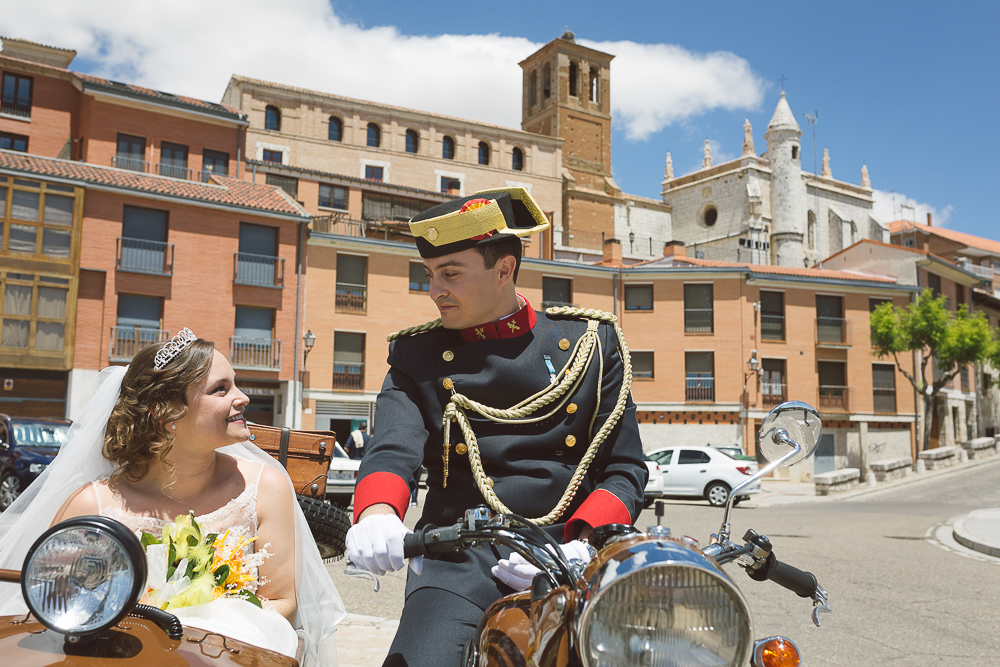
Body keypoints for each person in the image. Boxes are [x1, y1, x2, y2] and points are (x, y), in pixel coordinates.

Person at [345, 188, 648, 666]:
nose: (435, 290)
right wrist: (377, 512)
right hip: (457, 560)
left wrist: (582, 545)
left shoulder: (591, 343)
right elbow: (392, 448)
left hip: (570, 554)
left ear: (504, 269)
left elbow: (625, 468)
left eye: (450, 274)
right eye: (430, 275)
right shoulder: (417, 356)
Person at [0, 329, 346, 666]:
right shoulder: (93, 506)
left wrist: (203, 627)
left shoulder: (265, 487)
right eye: (220, 389)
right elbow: (57, 606)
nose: (242, 397)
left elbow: (282, 601)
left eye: (235, 384)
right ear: (166, 413)